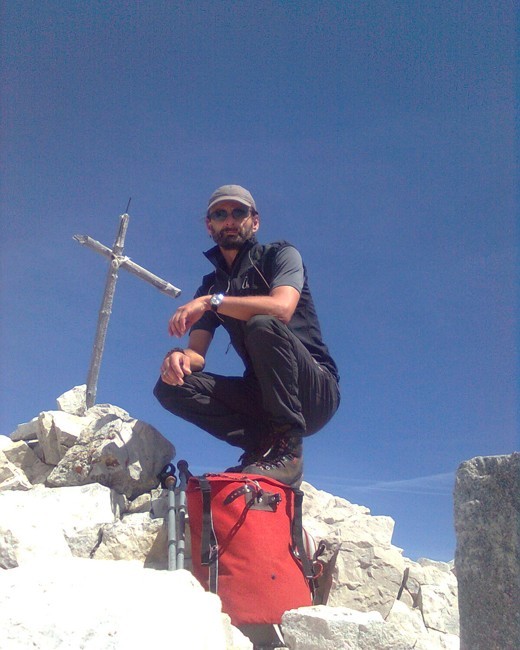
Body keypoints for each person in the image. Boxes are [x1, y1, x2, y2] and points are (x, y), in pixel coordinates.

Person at [154, 185, 340, 487]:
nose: (229, 220)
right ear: (209, 225)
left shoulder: (279, 255)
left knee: (262, 324)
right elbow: (197, 355)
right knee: (170, 388)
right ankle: (263, 447)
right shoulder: (210, 286)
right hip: (264, 395)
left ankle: (288, 453)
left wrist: (211, 302)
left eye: (238, 212)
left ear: (254, 221)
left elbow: (282, 309)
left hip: (314, 390)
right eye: (220, 214)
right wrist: (176, 358)